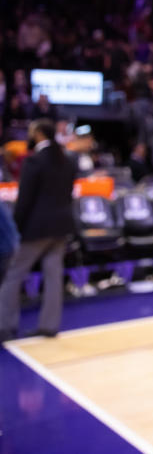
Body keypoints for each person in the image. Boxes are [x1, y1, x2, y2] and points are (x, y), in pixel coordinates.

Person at [0, 119, 78, 341]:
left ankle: (5, 326)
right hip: (61, 227)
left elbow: (25, 201)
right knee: (53, 276)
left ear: (40, 134)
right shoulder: (67, 160)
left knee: (13, 275)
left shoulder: (34, 161)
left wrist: (17, 226)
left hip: (36, 228)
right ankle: (49, 325)